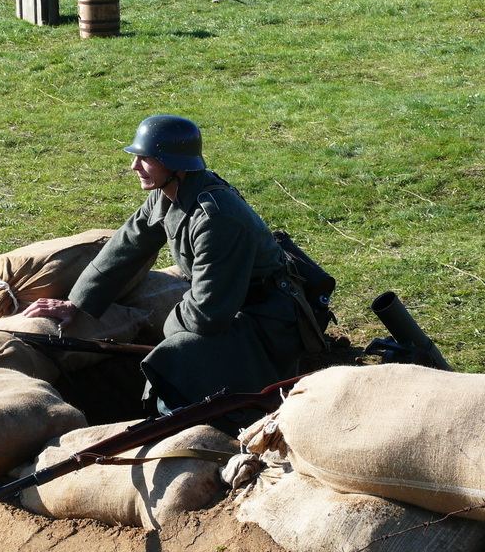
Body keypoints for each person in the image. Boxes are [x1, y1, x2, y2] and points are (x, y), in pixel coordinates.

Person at [24, 115, 317, 435]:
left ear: (174, 164)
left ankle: (188, 436)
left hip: (268, 318)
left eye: (146, 158)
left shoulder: (215, 217)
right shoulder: (169, 194)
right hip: (228, 303)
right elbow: (127, 245)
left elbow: (207, 314)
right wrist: (78, 303)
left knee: (176, 359)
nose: (135, 165)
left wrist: (166, 333)